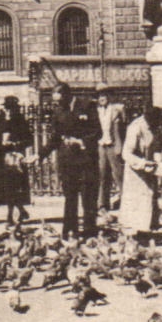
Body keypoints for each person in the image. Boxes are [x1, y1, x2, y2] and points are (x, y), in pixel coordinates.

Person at [45, 84, 100, 240]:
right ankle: (71, 231)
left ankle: (90, 232)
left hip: (86, 160)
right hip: (67, 160)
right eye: (55, 102)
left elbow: (97, 131)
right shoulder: (58, 111)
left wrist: (81, 141)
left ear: (67, 96)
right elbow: (55, 137)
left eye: (59, 101)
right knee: (70, 197)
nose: (57, 104)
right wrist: (40, 154)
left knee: (88, 197)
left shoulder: (87, 106)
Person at [119, 106, 162, 240]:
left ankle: (147, 230)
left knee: (149, 199)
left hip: (149, 170)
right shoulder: (135, 127)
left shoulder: (156, 127)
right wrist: (142, 163)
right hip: (135, 171)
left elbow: (158, 146)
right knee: (138, 201)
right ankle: (137, 233)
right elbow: (126, 154)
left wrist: (159, 160)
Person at [0, 95, 33, 227]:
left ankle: (10, 216)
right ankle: (21, 211)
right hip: (2, 158)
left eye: (11, 109)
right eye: (7, 108)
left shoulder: (21, 120)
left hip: (16, 159)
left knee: (14, 187)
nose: (9, 111)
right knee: (7, 188)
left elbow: (29, 140)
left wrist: (15, 144)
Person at [96, 91, 128, 211]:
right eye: (99, 96)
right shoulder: (97, 111)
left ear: (109, 96)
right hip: (101, 145)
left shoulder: (116, 109)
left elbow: (121, 128)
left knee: (118, 174)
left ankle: (126, 201)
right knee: (102, 174)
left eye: (104, 95)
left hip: (113, 145)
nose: (102, 98)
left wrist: (119, 146)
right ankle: (102, 204)